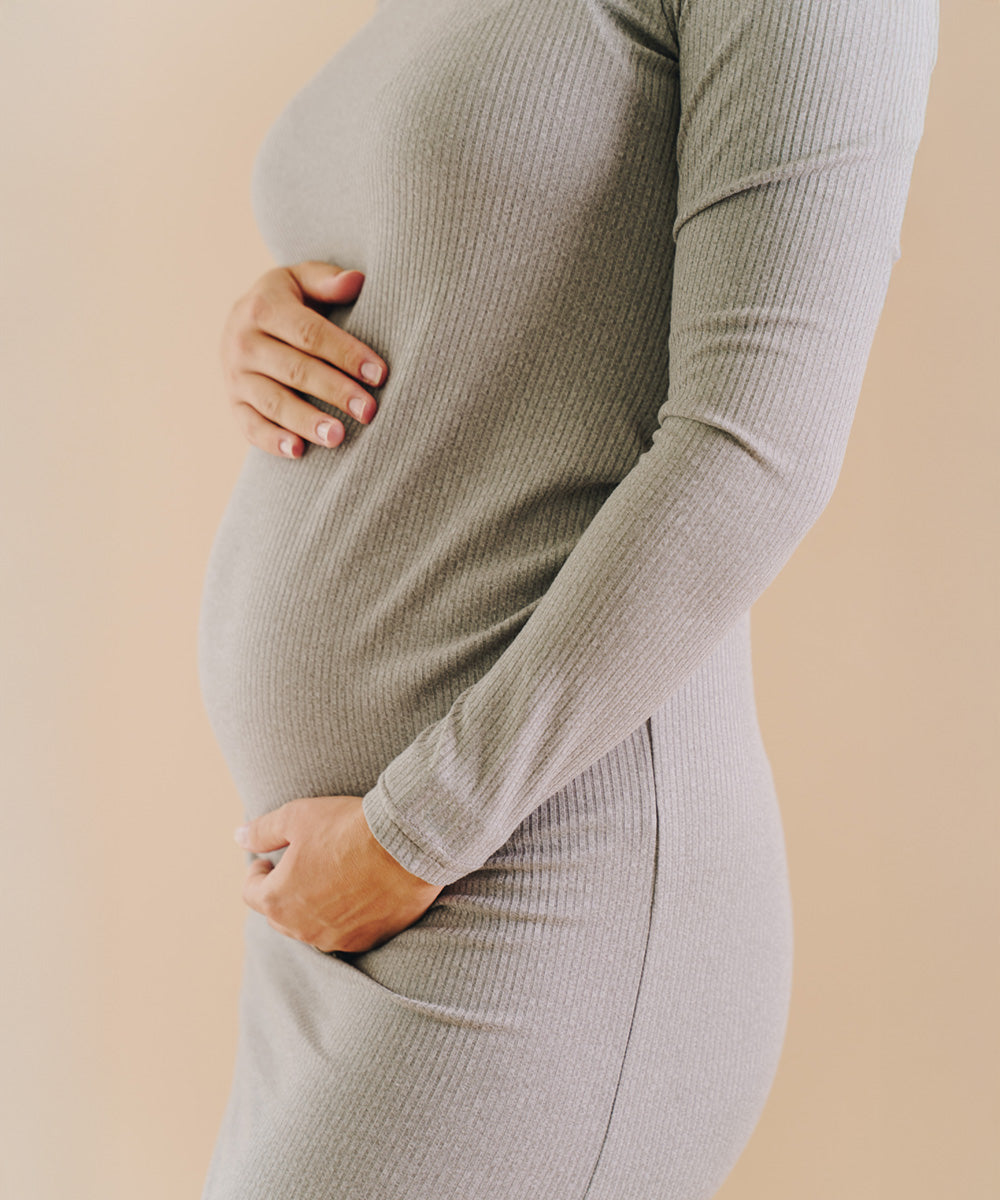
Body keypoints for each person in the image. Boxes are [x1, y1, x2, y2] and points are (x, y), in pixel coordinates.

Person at [196, 1, 938, 1196]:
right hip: (350, 905)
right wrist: (270, 322)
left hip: (534, 882)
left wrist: (419, 829)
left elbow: (757, 446)